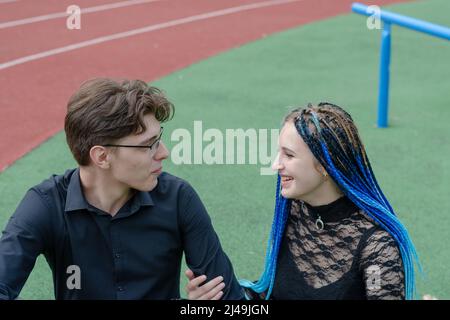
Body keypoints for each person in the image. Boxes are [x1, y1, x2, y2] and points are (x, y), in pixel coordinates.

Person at [0, 78, 243, 300]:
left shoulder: (178, 198)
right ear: (102, 156)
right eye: (148, 145)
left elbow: (231, 299)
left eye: (159, 138)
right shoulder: (45, 204)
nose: (164, 152)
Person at [186, 102, 421, 300]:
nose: (276, 165)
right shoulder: (295, 210)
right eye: (279, 153)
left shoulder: (378, 247)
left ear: (324, 166)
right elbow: (272, 292)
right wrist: (214, 296)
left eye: (288, 155)